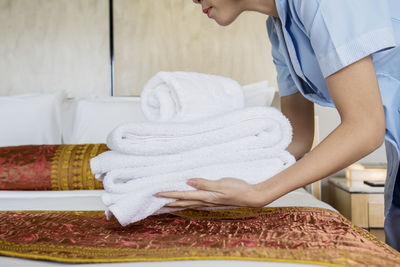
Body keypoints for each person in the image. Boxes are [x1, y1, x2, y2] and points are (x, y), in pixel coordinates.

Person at [155, 0, 400, 251]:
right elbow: (297, 137)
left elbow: (366, 128)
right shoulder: (279, 30)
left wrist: (260, 192)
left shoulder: (324, 4)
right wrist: (208, 174)